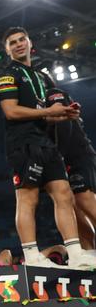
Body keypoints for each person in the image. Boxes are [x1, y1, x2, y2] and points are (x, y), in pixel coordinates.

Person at [0, 27, 95, 270]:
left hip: (46, 143)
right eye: (12, 42)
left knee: (63, 193)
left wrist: (63, 114)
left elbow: (43, 115)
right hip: (23, 143)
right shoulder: (8, 75)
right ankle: (31, 255)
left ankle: (76, 252)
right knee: (27, 198)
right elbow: (10, 111)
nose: (19, 44)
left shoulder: (40, 77)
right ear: (7, 50)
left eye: (22, 40)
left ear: (30, 43)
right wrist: (49, 112)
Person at [46, 88, 96, 256]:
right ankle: (90, 254)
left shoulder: (53, 93)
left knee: (86, 201)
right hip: (64, 158)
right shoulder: (37, 103)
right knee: (74, 209)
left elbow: (64, 125)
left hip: (76, 156)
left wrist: (60, 154)